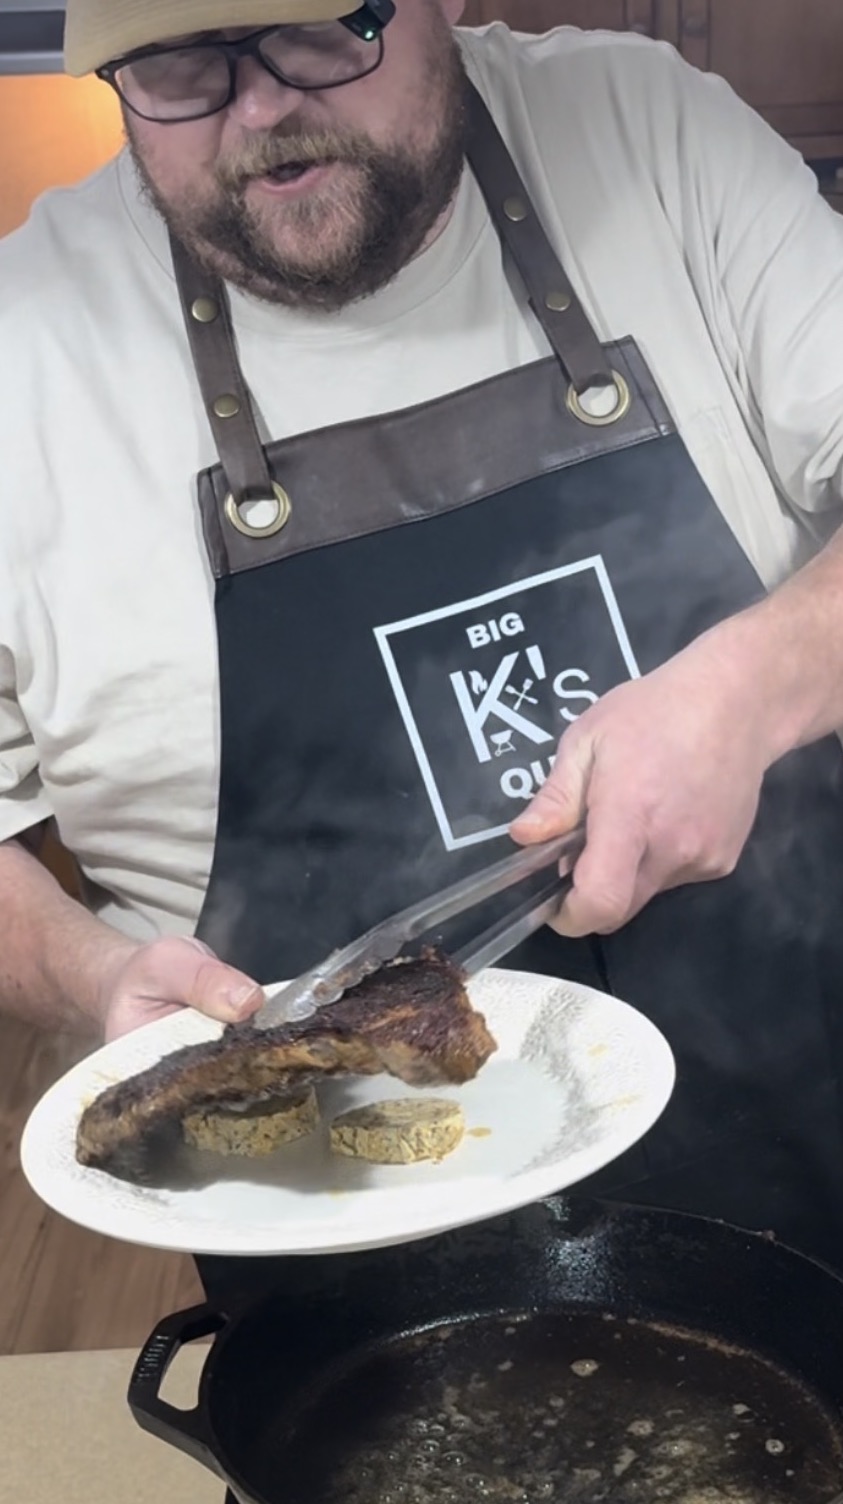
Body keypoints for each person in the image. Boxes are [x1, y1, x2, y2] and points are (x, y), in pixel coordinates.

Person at [3, 0, 843, 1265]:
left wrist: (754, 684)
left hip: (805, 1124)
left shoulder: (651, 136)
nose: (262, 105)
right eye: (178, 64)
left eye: (321, 29)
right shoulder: (24, 353)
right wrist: (88, 969)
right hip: (330, 1229)